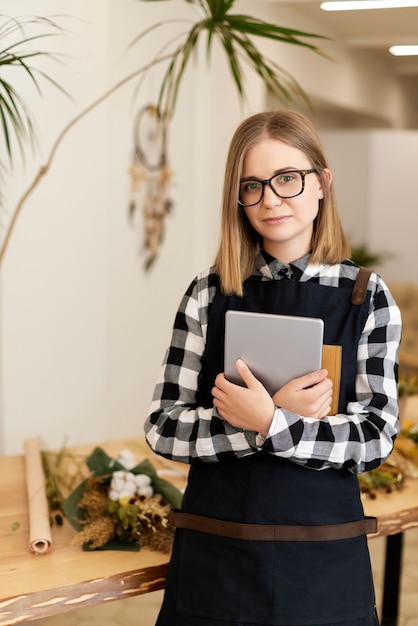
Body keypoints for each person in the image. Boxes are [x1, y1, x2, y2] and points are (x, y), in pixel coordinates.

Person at [144, 109, 401, 626]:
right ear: (236, 197)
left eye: (288, 178)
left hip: (323, 565)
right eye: (252, 185)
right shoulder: (208, 292)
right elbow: (163, 427)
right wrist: (259, 422)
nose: (271, 199)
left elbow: (376, 437)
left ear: (323, 183)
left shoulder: (365, 298)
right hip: (216, 559)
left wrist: (271, 423)